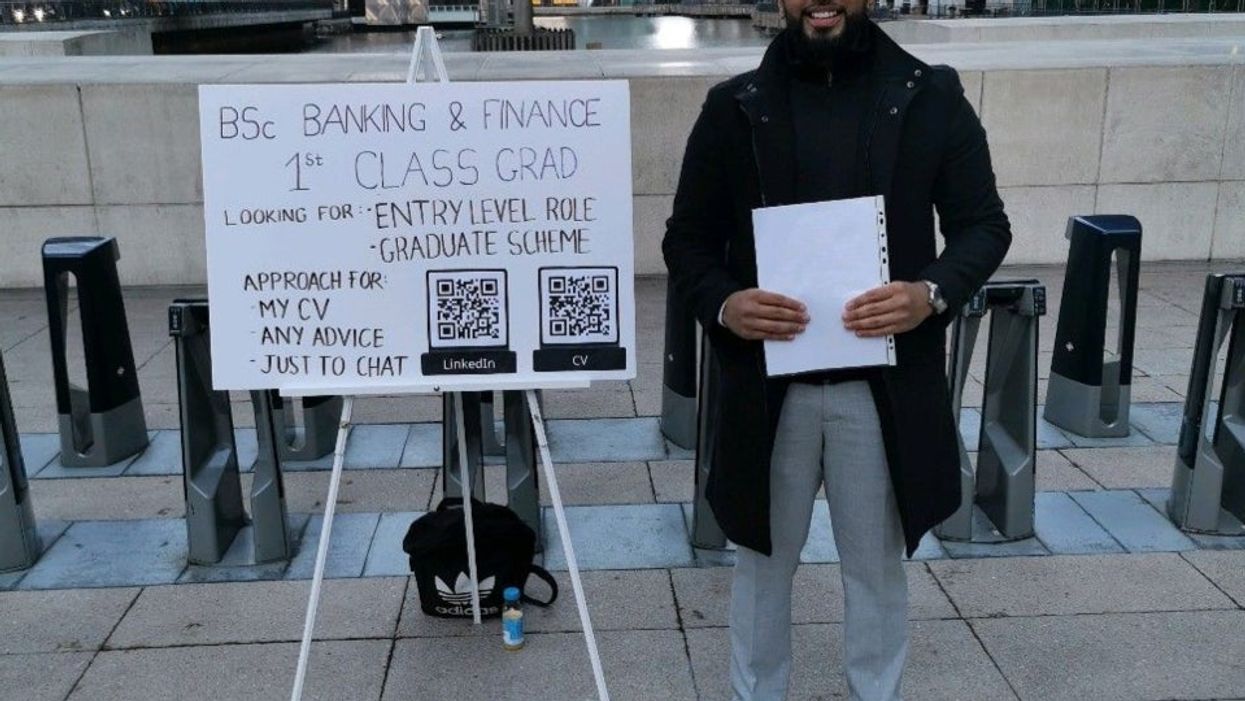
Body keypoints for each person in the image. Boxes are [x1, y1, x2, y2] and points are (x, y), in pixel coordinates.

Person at [661, 1, 1012, 699]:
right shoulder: (732, 106)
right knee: (761, 565)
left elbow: (983, 226)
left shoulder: (928, 94)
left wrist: (929, 292)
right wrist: (728, 303)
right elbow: (687, 239)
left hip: (878, 386)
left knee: (876, 569)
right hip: (768, 387)